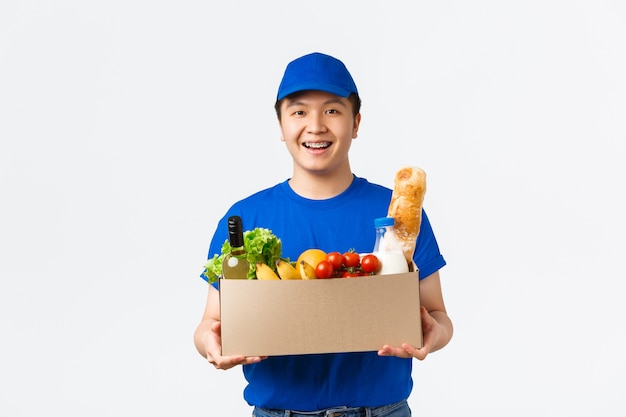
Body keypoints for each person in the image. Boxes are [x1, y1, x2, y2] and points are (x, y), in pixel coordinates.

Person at [193, 52, 453, 417]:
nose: (315, 126)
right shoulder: (245, 218)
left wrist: (432, 335)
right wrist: (211, 343)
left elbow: (439, 316)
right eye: (299, 112)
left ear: (356, 122)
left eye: (332, 110)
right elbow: (209, 323)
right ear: (281, 126)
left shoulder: (396, 213)